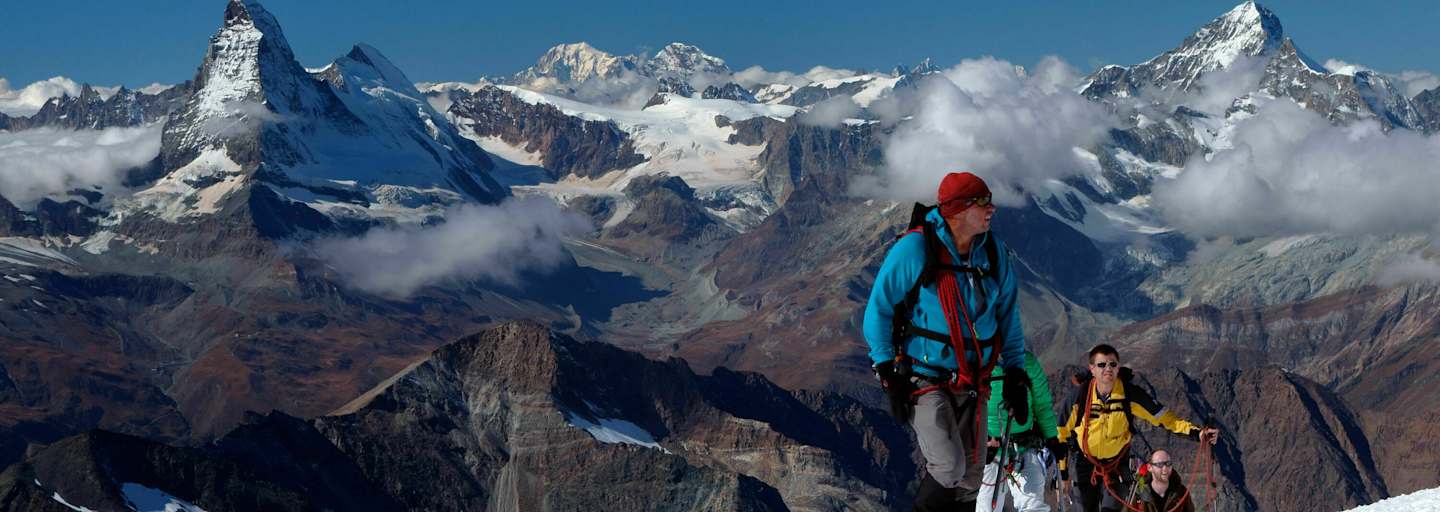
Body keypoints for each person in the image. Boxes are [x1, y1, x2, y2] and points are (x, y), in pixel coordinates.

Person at [863, 171, 1029, 511]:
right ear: (957, 209)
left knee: (971, 476)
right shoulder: (915, 249)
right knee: (948, 466)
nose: (992, 208)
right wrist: (886, 370)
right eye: (983, 202)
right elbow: (878, 310)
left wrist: (1014, 372)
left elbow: (1008, 316)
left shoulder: (994, 253)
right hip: (924, 378)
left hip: (975, 382)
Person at [1056, 344, 1218, 512]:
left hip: (1116, 466)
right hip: (1084, 465)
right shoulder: (1078, 398)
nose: (1108, 369)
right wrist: (1063, 474)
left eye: (1112, 364)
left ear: (1118, 367)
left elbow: (1165, 419)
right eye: (1102, 365)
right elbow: (1060, 435)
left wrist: (1197, 433)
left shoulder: (1130, 395)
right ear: (1092, 369)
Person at [976, 350, 1067, 512]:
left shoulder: (1025, 362)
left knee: (1030, 506)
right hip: (993, 448)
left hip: (1020, 447)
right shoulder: (975, 361)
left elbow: (1042, 404)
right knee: (988, 507)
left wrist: (1052, 438)